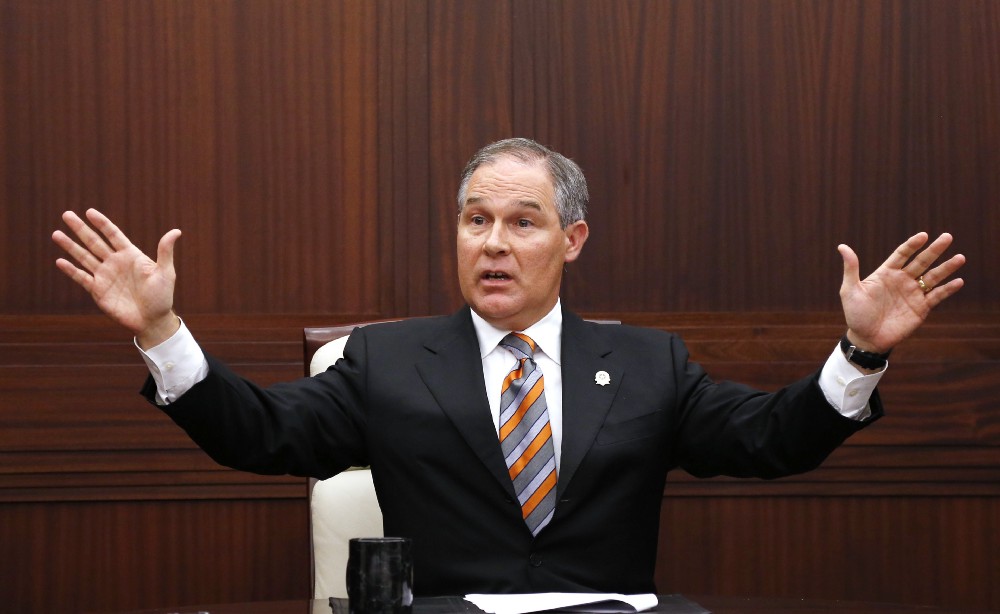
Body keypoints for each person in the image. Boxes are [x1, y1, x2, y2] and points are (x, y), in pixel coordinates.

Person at [52, 138, 966, 596]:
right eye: (475, 220)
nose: (493, 243)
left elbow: (770, 441)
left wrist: (862, 352)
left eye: (523, 222)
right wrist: (162, 328)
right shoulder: (387, 360)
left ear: (572, 240)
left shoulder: (647, 363)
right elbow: (261, 434)